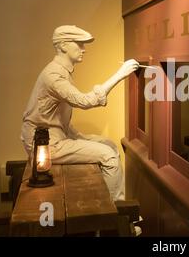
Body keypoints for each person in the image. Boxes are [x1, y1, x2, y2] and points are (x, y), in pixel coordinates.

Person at [21, 25, 139, 201]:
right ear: (63, 46)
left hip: (56, 136)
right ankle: (116, 216)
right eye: (79, 44)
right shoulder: (54, 76)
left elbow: (56, 117)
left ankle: (113, 210)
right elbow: (84, 101)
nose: (84, 49)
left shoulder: (61, 71)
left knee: (110, 145)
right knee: (109, 156)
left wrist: (74, 135)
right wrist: (120, 74)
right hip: (46, 145)